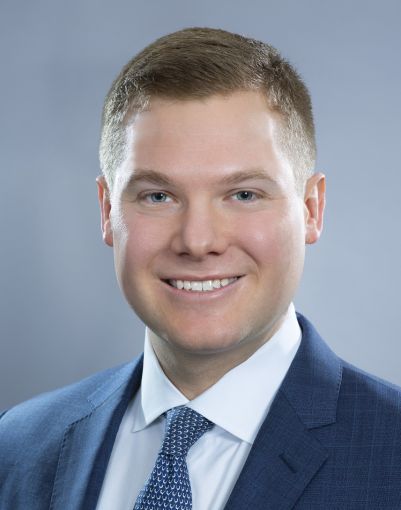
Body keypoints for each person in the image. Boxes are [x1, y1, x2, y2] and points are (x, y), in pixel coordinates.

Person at [1, 27, 401, 510]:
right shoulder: (18, 447)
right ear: (107, 211)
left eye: (244, 194)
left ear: (311, 209)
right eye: (158, 196)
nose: (198, 241)